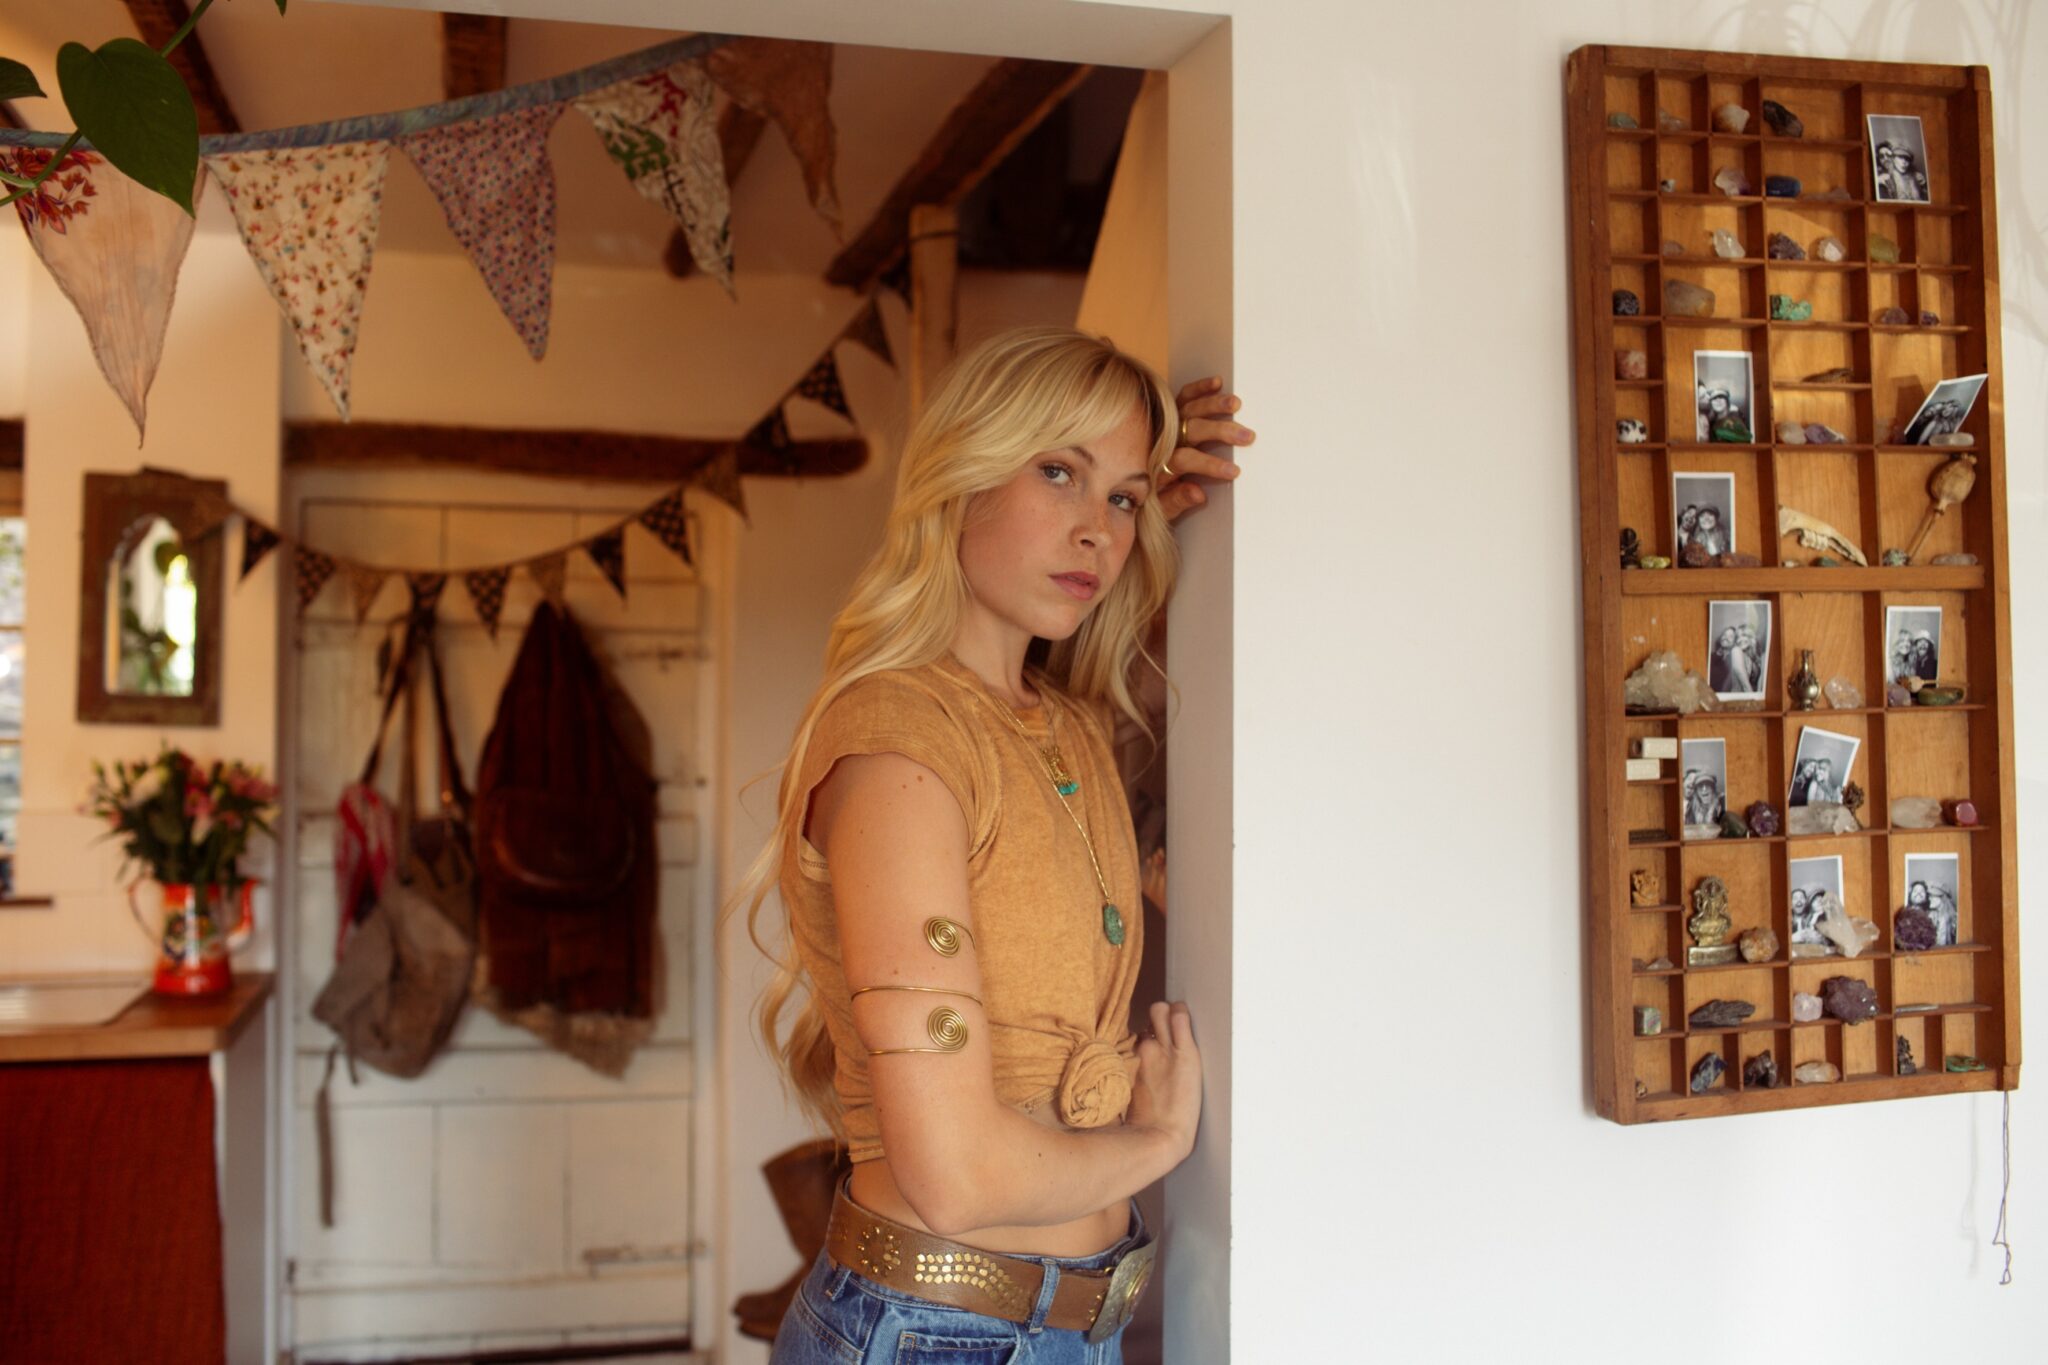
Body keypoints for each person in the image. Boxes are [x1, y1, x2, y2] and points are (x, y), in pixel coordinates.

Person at [734, 327, 1255, 1363]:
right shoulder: (898, 745)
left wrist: (1150, 493)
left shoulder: (1063, 723)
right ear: (960, 475)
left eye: (1120, 498)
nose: (1095, 532)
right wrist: (1157, 1139)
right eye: (1056, 471)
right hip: (935, 1337)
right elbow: (955, 1175)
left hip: (1062, 1330)